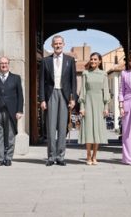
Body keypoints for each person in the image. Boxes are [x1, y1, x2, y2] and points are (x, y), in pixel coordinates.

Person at [39, 35, 77, 166]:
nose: (58, 45)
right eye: (56, 43)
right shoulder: (45, 61)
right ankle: (51, 157)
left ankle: (60, 156)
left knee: (62, 127)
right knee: (51, 126)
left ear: (63, 44)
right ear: (52, 45)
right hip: (51, 95)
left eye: (60, 43)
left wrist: (74, 99)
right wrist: (42, 99)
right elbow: (41, 82)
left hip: (64, 95)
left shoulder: (70, 60)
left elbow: (73, 82)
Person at [0, 57, 24, 166]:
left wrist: (19, 110)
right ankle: (0, 158)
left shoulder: (16, 78)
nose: (4, 65)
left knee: (11, 135)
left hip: (11, 111)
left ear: (8, 64)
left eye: (6, 63)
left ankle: (8, 158)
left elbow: (20, 96)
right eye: (1, 63)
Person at [78, 52, 110, 165]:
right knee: (88, 130)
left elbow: (106, 91)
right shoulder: (85, 73)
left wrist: (106, 107)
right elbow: (83, 91)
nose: (93, 61)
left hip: (100, 104)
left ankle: (95, 155)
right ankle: (88, 155)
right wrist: (82, 107)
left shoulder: (104, 74)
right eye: (91, 59)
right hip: (88, 103)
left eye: (95, 59)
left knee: (97, 130)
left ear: (99, 61)